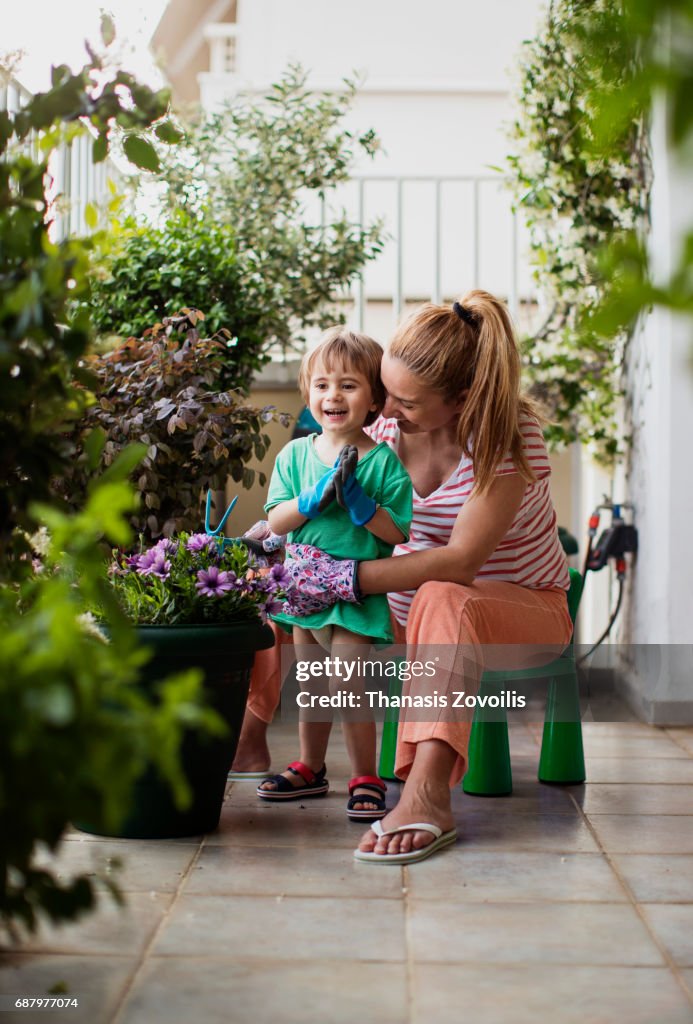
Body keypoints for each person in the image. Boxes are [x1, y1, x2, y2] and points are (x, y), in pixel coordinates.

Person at [232, 290, 573, 864]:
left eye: (405, 400)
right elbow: (311, 527)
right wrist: (265, 558)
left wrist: (345, 578)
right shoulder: (380, 435)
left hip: (520, 613)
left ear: (462, 399)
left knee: (444, 594)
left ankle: (426, 795)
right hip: (399, 610)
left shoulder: (507, 438)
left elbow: (461, 562)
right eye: (384, 389)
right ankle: (245, 741)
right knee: (275, 584)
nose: (385, 409)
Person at [255, 327, 413, 821]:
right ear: (308, 394)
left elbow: (397, 532)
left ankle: (365, 775)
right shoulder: (294, 456)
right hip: (304, 597)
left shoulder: (383, 463)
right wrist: (308, 502)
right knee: (312, 685)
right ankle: (310, 766)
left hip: (352, 598)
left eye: (348, 385)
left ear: (374, 400)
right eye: (321, 385)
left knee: (349, 687)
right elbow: (275, 521)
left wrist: (361, 505)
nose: (333, 395)